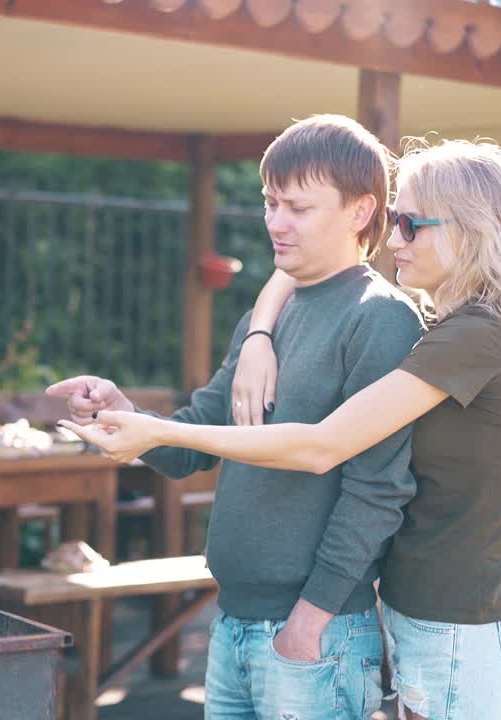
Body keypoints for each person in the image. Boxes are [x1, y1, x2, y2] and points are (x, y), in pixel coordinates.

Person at [62, 137, 501, 720]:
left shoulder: (466, 334)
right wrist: (137, 411)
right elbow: (205, 427)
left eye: (409, 224)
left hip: (451, 628)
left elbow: (332, 452)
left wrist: (310, 619)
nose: (393, 239)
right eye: (270, 203)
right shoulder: (445, 330)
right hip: (405, 619)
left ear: (471, 229)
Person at [49, 114, 424, 719]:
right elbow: (195, 438)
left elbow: (378, 490)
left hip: (314, 636)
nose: (275, 222)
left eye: (297, 208)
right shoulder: (262, 322)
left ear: (360, 212)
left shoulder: (380, 318)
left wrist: (310, 621)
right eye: (271, 203)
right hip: (232, 624)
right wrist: (123, 412)